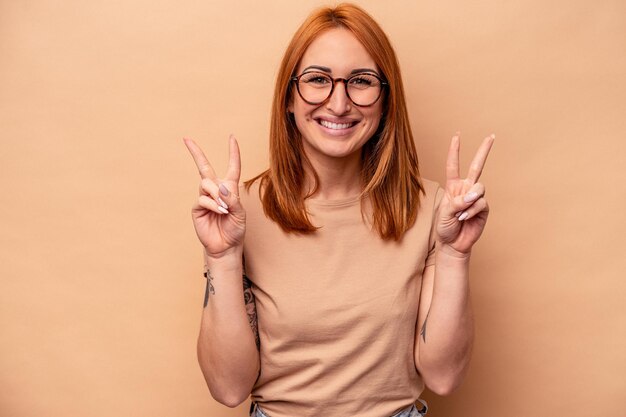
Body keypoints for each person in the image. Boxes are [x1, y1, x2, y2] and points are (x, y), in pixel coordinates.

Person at [183, 3, 494, 417]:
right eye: (317, 80)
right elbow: (227, 387)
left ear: (385, 100)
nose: (339, 102)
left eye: (361, 81)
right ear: (289, 99)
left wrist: (455, 255)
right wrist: (221, 258)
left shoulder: (433, 209)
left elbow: (443, 377)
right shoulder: (239, 214)